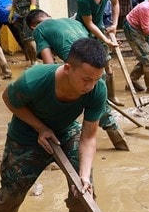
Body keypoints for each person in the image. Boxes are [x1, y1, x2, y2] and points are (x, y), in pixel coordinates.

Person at [0, 37, 108, 212]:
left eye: (96, 79)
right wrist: (40, 127)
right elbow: (8, 99)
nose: (90, 86)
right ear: (67, 68)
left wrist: (83, 175)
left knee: (84, 190)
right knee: (10, 194)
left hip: (65, 130)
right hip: (25, 134)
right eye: (86, 79)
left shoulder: (97, 89)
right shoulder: (33, 80)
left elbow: (89, 137)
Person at [27, 9, 129, 150]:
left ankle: (117, 140)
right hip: (99, 65)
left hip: (82, 71)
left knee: (93, 107)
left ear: (33, 26)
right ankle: (120, 143)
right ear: (49, 16)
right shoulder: (71, 21)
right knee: (100, 102)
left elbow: (49, 66)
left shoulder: (39, 30)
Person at [75, 0, 122, 103]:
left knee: (106, 61)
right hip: (84, 29)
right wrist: (106, 40)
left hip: (99, 26)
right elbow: (89, 24)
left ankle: (112, 96)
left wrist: (114, 24)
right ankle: (95, 98)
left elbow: (115, 3)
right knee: (91, 64)